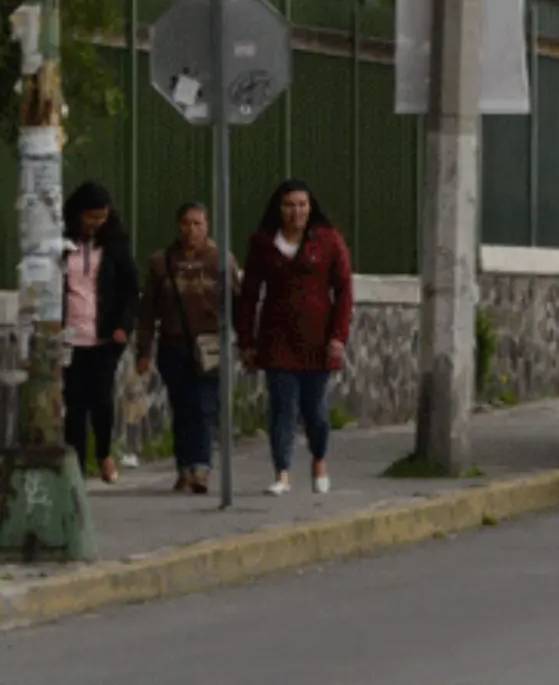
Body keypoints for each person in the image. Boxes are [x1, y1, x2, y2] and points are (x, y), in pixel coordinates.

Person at [236, 180, 354, 496]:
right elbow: (248, 295)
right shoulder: (262, 243)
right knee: (282, 407)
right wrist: (246, 340)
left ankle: (319, 460)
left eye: (302, 205)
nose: (296, 212)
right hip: (276, 339)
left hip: (317, 341)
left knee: (314, 408)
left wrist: (338, 337)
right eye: (290, 205)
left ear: (310, 207)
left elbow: (343, 291)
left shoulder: (328, 241)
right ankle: (282, 471)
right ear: (279, 208)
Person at [136, 202, 240, 494]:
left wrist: (245, 343)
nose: (191, 230)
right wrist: (143, 352)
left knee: (205, 407)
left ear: (207, 226)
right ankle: (184, 467)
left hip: (209, 347)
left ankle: (201, 468)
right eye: (186, 223)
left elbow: (239, 303)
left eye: (198, 224)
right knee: (181, 408)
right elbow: (147, 313)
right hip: (174, 346)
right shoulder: (162, 262)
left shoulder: (221, 260)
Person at [60, 181, 140, 484]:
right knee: (75, 404)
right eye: (90, 217)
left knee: (102, 400)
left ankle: (104, 452)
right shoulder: (61, 242)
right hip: (70, 337)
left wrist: (123, 325)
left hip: (104, 337)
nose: (95, 223)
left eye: (101, 217)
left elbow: (131, 289)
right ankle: (76, 470)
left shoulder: (115, 245)